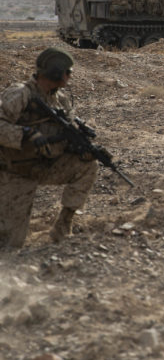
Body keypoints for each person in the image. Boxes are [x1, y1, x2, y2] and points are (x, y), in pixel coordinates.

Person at [0, 48, 99, 249]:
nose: (70, 76)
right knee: (11, 242)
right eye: (67, 72)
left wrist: (80, 149)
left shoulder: (60, 100)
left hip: (45, 165)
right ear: (55, 73)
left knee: (87, 165)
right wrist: (26, 134)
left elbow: (67, 131)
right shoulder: (20, 95)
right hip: (14, 171)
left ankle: (63, 224)